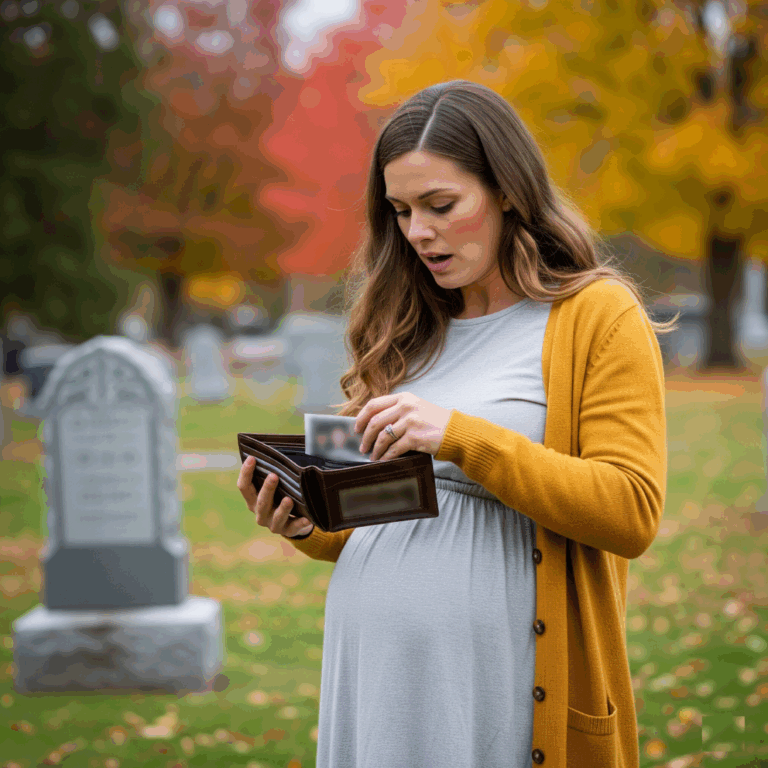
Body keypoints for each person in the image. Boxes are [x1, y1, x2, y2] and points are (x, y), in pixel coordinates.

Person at [237, 80, 676, 768]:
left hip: (496, 689)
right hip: (376, 681)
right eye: (402, 210)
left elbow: (630, 511)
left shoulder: (596, 316)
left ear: (506, 191)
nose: (418, 232)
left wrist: (461, 436)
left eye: (441, 205)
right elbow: (386, 518)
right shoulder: (405, 326)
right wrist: (309, 521)